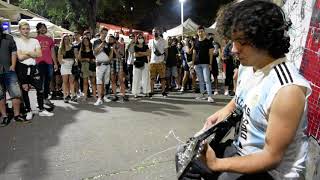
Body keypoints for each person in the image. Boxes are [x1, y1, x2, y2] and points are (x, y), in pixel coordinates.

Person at [178, 1, 311, 180]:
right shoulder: (248, 68)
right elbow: (236, 102)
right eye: (233, 41)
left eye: (241, 42)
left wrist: (216, 164)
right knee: (185, 162)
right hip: (240, 150)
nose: (233, 49)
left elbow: (271, 157)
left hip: (272, 173)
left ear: (264, 39)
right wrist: (216, 117)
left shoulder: (287, 90)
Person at [15, 20, 54, 120]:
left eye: (27, 29)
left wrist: (26, 52)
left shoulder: (35, 41)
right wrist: (31, 53)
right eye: (23, 29)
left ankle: (41, 109)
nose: (26, 31)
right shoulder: (17, 40)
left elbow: (39, 54)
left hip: (34, 67)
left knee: (40, 88)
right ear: (20, 30)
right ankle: (29, 110)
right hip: (22, 68)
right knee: (25, 90)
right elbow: (20, 57)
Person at [0, 23, 26, 126]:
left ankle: (17, 115)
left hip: (9, 69)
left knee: (16, 93)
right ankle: (4, 116)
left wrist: (13, 66)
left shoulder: (8, 38)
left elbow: (14, 52)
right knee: (0, 95)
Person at [35, 22, 58, 106]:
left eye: (44, 27)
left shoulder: (50, 39)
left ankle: (45, 98)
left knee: (48, 82)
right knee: (40, 82)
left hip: (49, 63)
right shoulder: (35, 39)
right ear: (38, 29)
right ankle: (40, 100)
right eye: (41, 27)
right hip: (39, 63)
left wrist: (55, 63)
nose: (43, 29)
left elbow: (52, 52)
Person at [192, 26, 215, 103]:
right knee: (201, 80)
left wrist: (210, 64)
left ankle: (210, 96)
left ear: (204, 32)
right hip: (197, 64)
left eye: (202, 31)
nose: (200, 33)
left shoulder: (208, 41)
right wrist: (192, 64)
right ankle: (202, 95)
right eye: (199, 31)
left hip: (205, 63)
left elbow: (211, 54)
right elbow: (194, 53)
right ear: (197, 32)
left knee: (207, 80)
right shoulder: (195, 41)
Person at [93, 28, 114, 106]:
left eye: (106, 33)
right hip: (99, 64)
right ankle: (99, 98)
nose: (105, 35)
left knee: (106, 82)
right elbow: (95, 53)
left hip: (107, 65)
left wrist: (112, 50)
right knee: (99, 81)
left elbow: (110, 57)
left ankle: (104, 96)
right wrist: (101, 46)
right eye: (104, 33)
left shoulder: (107, 43)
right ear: (100, 33)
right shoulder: (96, 41)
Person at [148, 27, 168, 97]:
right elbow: (149, 52)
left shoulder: (163, 41)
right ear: (152, 33)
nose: (155, 32)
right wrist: (149, 61)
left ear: (159, 32)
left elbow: (166, 52)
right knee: (152, 78)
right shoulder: (150, 41)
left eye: (157, 31)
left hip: (161, 62)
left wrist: (165, 61)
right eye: (154, 31)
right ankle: (151, 91)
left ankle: (163, 91)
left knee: (163, 78)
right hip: (152, 62)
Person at [58, 34, 77, 103]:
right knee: (65, 82)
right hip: (64, 65)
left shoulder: (72, 47)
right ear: (63, 40)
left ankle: (73, 95)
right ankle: (65, 96)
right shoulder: (61, 48)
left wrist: (76, 62)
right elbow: (59, 58)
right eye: (65, 39)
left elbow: (76, 56)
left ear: (69, 39)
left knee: (72, 81)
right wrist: (63, 63)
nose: (66, 40)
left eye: (67, 39)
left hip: (72, 65)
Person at [78, 36, 96, 101]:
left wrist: (93, 60)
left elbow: (95, 57)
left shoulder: (92, 48)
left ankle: (94, 96)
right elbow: (79, 58)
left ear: (89, 41)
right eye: (84, 41)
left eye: (87, 41)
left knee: (93, 82)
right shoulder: (81, 49)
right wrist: (85, 59)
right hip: (84, 66)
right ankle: (85, 96)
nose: (86, 42)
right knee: (85, 82)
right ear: (83, 42)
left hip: (92, 66)